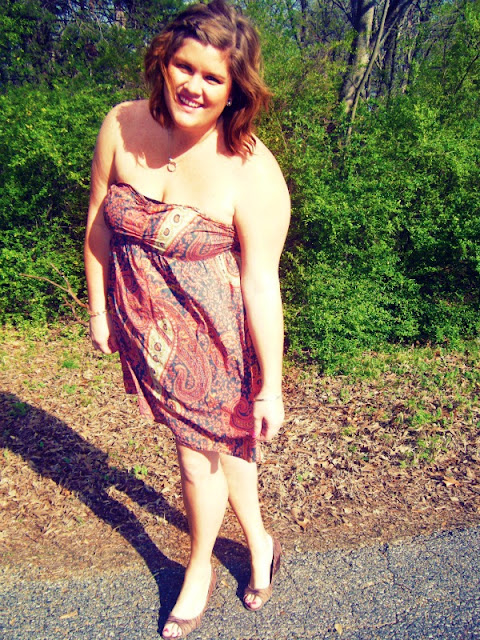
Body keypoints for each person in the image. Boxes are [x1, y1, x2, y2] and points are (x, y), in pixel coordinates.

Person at [84, 1, 290, 637]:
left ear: (235, 90)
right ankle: (260, 542)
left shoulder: (251, 171)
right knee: (225, 448)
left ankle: (197, 568)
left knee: (198, 458)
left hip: (217, 342)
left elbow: (261, 282)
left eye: (213, 77)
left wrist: (271, 385)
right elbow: (98, 222)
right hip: (148, 332)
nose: (193, 86)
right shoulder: (121, 125)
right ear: (163, 61)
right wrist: (99, 307)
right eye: (184, 66)